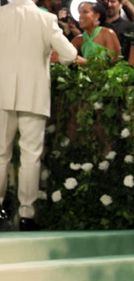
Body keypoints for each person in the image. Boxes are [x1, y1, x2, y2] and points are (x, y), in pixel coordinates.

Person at [0, 0, 80, 229]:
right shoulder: (45, 19)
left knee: (0, 155)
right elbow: (69, 53)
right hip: (33, 95)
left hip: (1, 93)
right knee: (30, 156)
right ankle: (27, 215)